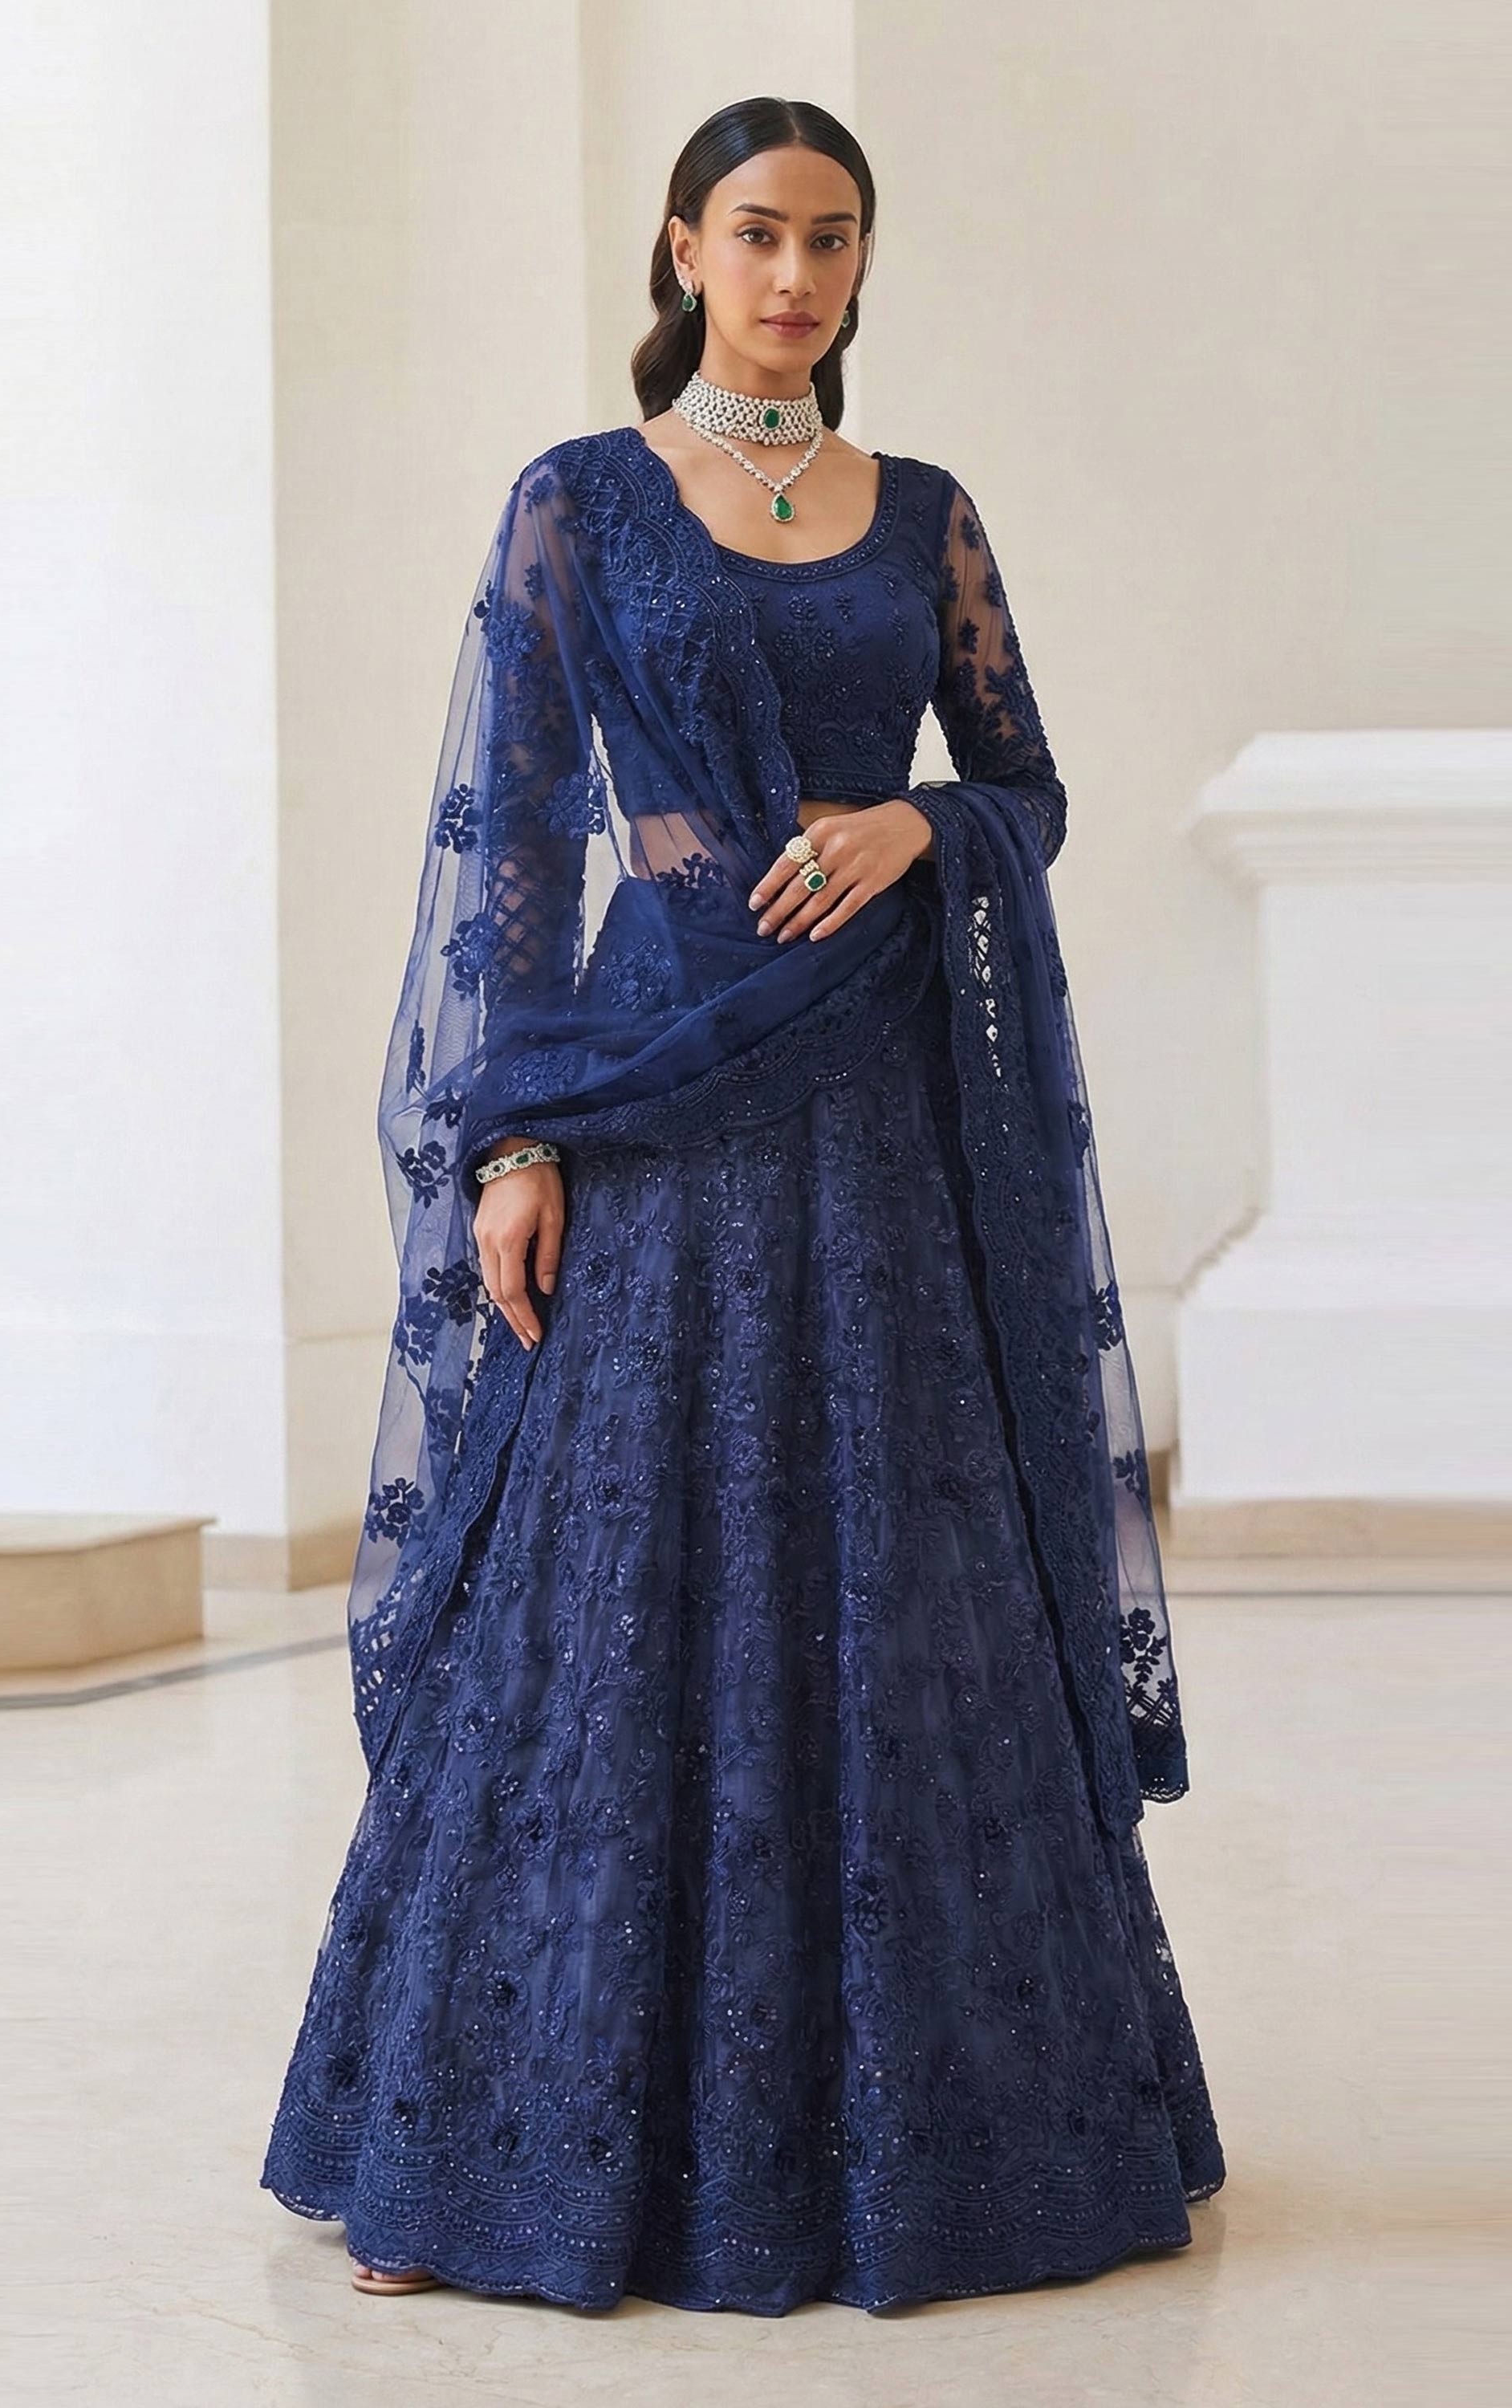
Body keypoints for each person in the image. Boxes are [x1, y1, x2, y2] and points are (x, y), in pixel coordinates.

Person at [261, 94, 1225, 2318]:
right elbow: (513, 839)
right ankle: (492, 2150)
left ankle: (954, 2143)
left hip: (882, 1113)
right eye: (761, 234)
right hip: (655, 1091)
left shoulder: (928, 515)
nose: (797, 276)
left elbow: (1027, 788)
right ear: (685, 251)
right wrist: (516, 1141)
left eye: (835, 239)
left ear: (863, 268)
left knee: (900, 1562)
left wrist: (920, 830)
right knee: (601, 1581)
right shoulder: (579, 501)